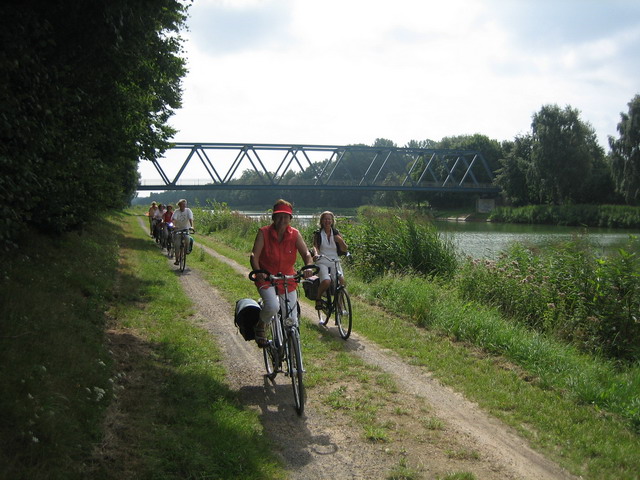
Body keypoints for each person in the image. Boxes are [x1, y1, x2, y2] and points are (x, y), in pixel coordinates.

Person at [250, 199, 314, 347]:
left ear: (290, 219)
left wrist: (308, 267)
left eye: (286, 216)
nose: (282, 219)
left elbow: (306, 254)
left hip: (287, 279)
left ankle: (291, 349)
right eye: (279, 216)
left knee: (291, 318)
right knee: (272, 306)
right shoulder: (263, 232)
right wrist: (258, 272)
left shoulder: (295, 234)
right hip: (267, 277)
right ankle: (261, 325)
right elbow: (254, 256)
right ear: (273, 217)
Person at [312, 211, 348, 311]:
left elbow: (345, 249)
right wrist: (316, 255)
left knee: (342, 282)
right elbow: (315, 247)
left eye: (329, 219)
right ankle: (318, 298)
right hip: (322, 260)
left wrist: (340, 241)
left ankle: (339, 306)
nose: (327, 221)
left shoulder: (336, 233)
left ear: (332, 221)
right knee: (326, 281)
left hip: (334, 260)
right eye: (325, 219)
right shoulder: (318, 234)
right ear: (322, 221)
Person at [171, 199, 194, 265]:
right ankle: (177, 260)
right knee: (177, 245)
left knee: (187, 238)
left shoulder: (188, 210)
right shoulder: (176, 211)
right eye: (182, 204)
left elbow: (190, 219)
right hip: (177, 229)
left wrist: (192, 226)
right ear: (179, 205)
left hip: (186, 228)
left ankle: (186, 250)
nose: (184, 206)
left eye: (185, 204)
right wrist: (174, 226)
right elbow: (174, 220)